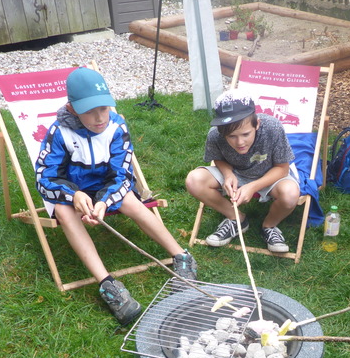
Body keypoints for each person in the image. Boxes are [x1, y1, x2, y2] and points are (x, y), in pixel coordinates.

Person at [35, 67, 196, 326]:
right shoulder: (58, 133)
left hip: (106, 186)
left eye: (104, 108)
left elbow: (123, 176)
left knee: (131, 200)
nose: (100, 118)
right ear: (72, 108)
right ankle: (107, 284)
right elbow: (44, 177)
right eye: (90, 111)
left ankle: (182, 256)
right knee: (65, 213)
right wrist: (73, 194)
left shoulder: (116, 125)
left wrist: (104, 202)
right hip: (70, 189)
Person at [185, 89, 300, 253]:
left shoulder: (273, 128)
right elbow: (217, 158)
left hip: (270, 174)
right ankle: (237, 218)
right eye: (232, 136)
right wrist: (228, 174)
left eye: (246, 134)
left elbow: (282, 168)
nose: (240, 142)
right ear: (221, 132)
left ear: (257, 124)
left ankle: (269, 226)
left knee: (290, 194)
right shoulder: (215, 135)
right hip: (237, 173)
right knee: (194, 180)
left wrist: (253, 186)